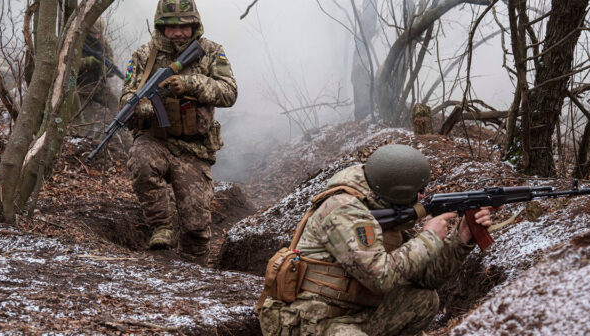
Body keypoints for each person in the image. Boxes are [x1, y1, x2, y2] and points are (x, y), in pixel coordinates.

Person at [257, 144, 495, 336]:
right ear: (398, 189)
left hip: (352, 311)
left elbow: (427, 278)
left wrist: (461, 238)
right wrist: (428, 238)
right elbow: (381, 277)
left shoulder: (382, 207)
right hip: (310, 320)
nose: (422, 195)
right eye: (418, 190)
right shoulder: (343, 211)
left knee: (424, 301)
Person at [120, 0, 237, 263]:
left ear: (194, 24)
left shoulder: (210, 52)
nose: (178, 33)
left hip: (194, 148)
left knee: (196, 226)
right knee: (141, 162)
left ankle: (194, 272)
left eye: (184, 26)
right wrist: (141, 105)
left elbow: (229, 92)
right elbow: (127, 94)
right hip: (156, 139)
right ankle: (161, 226)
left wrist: (191, 84)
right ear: (161, 26)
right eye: (171, 27)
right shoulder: (143, 56)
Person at [75, 18, 119, 139]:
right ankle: (84, 143)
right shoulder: (77, 41)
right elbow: (68, 66)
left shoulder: (104, 44)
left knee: (115, 103)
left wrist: (103, 68)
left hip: (98, 85)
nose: (96, 37)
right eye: (93, 34)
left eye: (99, 34)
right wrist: (88, 62)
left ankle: (121, 131)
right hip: (79, 88)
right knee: (86, 120)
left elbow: (111, 69)